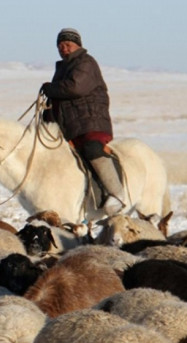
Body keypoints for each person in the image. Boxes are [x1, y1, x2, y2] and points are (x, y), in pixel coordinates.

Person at [40, 28, 125, 216]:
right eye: (60, 46)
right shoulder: (63, 69)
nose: (64, 49)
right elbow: (60, 99)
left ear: (77, 45)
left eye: (67, 45)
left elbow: (75, 88)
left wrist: (50, 88)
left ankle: (116, 194)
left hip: (90, 122)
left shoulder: (85, 62)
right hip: (71, 126)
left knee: (91, 148)